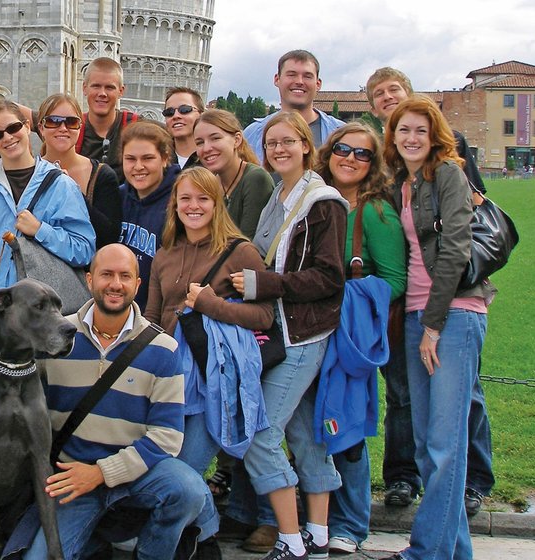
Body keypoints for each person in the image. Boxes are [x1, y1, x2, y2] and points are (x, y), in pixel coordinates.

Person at [16, 243, 206, 560]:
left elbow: (168, 437)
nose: (115, 284)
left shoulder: (163, 348)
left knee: (188, 491)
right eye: (106, 274)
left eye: (124, 276)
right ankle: (93, 542)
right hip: (72, 477)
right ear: (90, 280)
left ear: (137, 284)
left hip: (137, 474)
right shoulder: (56, 337)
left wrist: (103, 473)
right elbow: (11, 386)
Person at [366, 67, 495, 516]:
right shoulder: (404, 182)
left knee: (443, 444)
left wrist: (435, 326)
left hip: (451, 312)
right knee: (427, 443)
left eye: (421, 129)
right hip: (418, 311)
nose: (412, 137)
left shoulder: (447, 173)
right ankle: (447, 548)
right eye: (404, 130)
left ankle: (430, 548)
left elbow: (456, 250)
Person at [229, 110, 347, 560]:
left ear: (305, 145)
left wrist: (264, 285)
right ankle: (316, 532)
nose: (278, 149)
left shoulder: (323, 202)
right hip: (280, 329)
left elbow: (329, 277)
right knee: (301, 432)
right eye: (272, 143)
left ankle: (291, 539)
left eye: (287, 142)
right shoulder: (279, 195)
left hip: (301, 334)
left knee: (260, 433)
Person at [145, 167, 275, 559]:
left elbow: (265, 317)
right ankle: (202, 535)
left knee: (184, 468)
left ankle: (199, 532)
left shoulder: (240, 251)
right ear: (175, 204)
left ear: (218, 204)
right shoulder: (164, 253)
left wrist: (209, 305)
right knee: (161, 465)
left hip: (210, 379)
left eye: (203, 198)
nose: (193, 206)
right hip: (166, 380)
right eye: (185, 198)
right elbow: (152, 318)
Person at [0, 98, 94, 420]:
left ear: (28, 127)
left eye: (13, 128)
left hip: (41, 318)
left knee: (38, 412)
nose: (8, 138)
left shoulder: (60, 185)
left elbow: (84, 248)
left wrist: (41, 230)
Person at [314, 122, 406, 554]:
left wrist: (353, 295)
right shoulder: (314, 201)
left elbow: (394, 279)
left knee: (346, 427)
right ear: (329, 152)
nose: (350, 158)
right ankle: (319, 514)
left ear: (373, 164)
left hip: (347, 333)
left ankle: (350, 522)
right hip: (309, 327)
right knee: (310, 426)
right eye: (342, 149)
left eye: (362, 153)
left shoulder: (375, 212)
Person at [36, 93, 122, 250]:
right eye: (53, 122)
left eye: (71, 122)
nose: (62, 128)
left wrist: (73, 191)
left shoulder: (102, 175)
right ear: (41, 128)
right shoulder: (29, 172)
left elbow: (109, 237)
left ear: (80, 127)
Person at [244, 50, 344, 164]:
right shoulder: (252, 135)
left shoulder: (340, 133)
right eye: (291, 75)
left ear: (318, 84)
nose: (299, 81)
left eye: (307, 76)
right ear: (277, 79)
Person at [118, 121, 175, 311]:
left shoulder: (179, 201)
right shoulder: (117, 197)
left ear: (165, 158)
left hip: (158, 315)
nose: (138, 166)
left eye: (148, 158)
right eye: (130, 159)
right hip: (120, 310)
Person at [194, 109, 276, 238]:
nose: (206, 148)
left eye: (215, 138)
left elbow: (247, 244)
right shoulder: (211, 184)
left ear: (237, 140)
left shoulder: (255, 179)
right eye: (200, 142)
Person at [77, 57, 142, 179]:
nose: (102, 93)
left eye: (109, 87)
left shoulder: (137, 127)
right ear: (84, 88)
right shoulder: (70, 128)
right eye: (96, 86)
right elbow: (34, 118)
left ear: (121, 91)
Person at [164, 87, 206, 171]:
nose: (176, 116)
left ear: (201, 115)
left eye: (185, 110)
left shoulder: (212, 158)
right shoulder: (157, 156)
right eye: (169, 112)